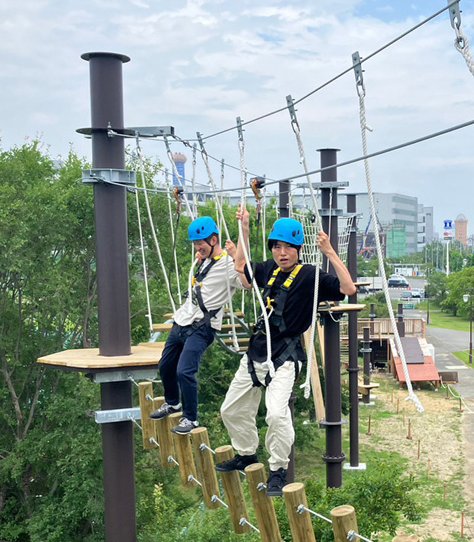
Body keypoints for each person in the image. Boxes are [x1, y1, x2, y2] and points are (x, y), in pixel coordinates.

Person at [215, 209, 356, 496]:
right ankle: (246, 454)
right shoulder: (268, 270)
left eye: (288, 248)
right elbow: (241, 269)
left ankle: (278, 471)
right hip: (256, 351)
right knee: (230, 409)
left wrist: (329, 252)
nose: (282, 253)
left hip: (284, 357)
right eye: (277, 247)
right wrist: (243, 229)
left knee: (277, 415)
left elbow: (348, 288)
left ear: (298, 250)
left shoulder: (310, 277)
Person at [150, 216, 240, 434]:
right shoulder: (203, 262)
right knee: (165, 365)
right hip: (183, 319)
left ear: (213, 240)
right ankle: (173, 403)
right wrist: (201, 259)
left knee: (185, 371)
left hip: (203, 326)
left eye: (200, 244)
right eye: (195, 244)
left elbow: (245, 282)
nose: (197, 248)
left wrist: (239, 255)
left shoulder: (228, 264)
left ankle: (191, 419)